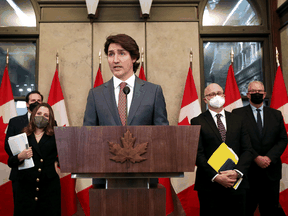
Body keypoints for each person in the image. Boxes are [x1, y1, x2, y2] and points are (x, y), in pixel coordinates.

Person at [83, 34, 169, 186]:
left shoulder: (153, 91)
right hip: (105, 179)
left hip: (145, 177)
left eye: (122, 53)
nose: (115, 60)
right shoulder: (95, 94)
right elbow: (88, 136)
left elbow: (162, 134)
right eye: (111, 54)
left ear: (134, 57)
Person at [190, 83, 253, 216]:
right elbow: (197, 153)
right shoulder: (197, 121)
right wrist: (216, 176)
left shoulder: (238, 120)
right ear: (205, 99)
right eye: (211, 94)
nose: (216, 96)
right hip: (210, 185)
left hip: (236, 183)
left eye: (219, 93)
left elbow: (248, 150)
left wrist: (237, 172)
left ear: (224, 96)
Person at [232, 81, 287, 216]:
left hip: (271, 172)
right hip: (248, 173)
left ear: (265, 94)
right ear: (247, 94)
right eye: (253, 91)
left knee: (270, 211)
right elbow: (237, 140)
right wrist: (255, 157)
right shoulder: (237, 114)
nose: (257, 94)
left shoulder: (276, 114)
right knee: (245, 210)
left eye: (260, 91)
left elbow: (282, 139)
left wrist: (269, 158)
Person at [5, 103, 61, 216]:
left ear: (50, 119)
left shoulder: (57, 135)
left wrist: (57, 163)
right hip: (25, 188)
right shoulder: (22, 135)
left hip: (48, 187)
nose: (42, 117)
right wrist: (20, 156)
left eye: (46, 115)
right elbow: (11, 162)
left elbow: (68, 155)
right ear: (33, 115)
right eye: (39, 113)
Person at [4, 90, 43, 207]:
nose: (36, 102)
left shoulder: (50, 122)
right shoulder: (15, 122)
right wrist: (20, 156)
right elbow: (8, 146)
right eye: (33, 100)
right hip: (21, 175)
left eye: (39, 101)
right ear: (27, 103)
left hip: (42, 176)